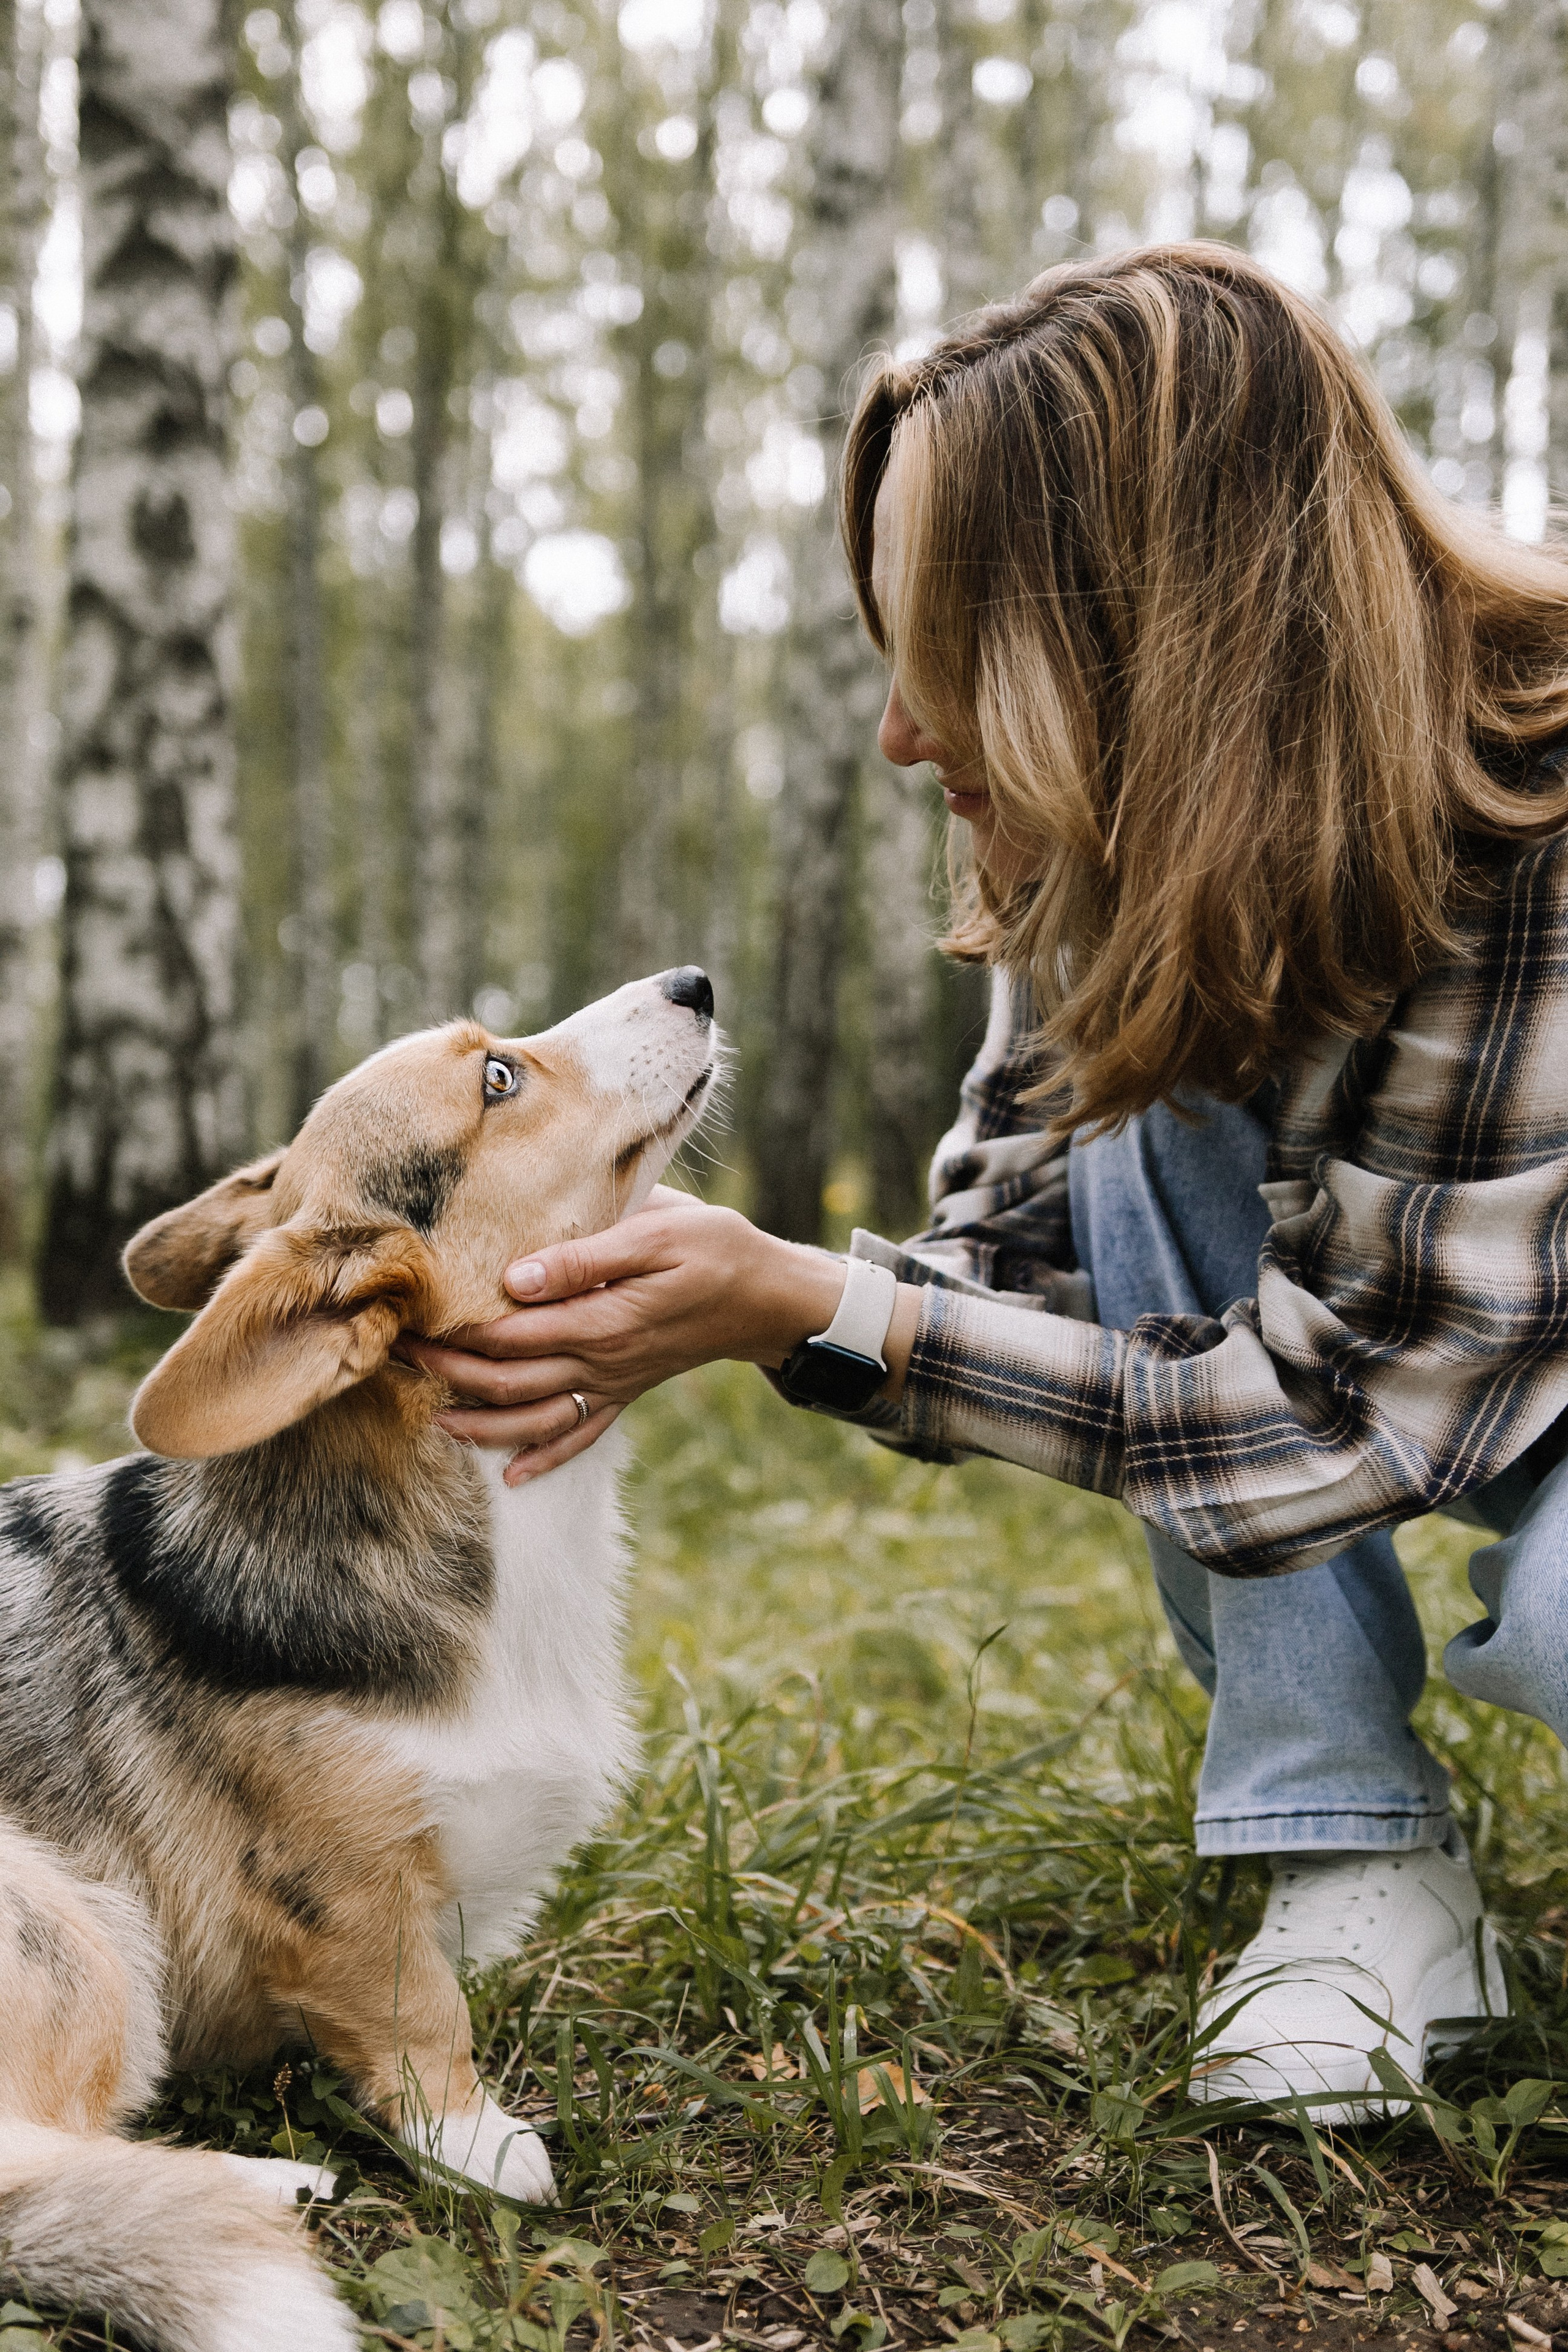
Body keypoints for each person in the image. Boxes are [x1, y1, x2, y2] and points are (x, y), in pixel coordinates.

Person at [404, 243, 1568, 2120]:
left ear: (1154, 627)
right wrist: (762, 1303)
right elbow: (1015, 1273)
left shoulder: (1539, 801)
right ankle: (1349, 1848)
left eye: (952, 652)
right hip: (1437, 1347)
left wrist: (821, 1303)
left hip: (1491, 1364)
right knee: (1149, 1094)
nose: (901, 731)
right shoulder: (1109, 821)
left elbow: (1337, 1425)